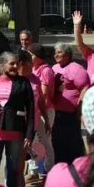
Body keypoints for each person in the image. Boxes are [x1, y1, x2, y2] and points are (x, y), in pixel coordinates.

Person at [0, 51, 36, 187]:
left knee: (12, 169)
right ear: (1, 65)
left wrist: (29, 134)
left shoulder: (23, 83)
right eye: (11, 63)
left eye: (17, 63)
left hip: (15, 134)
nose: (15, 66)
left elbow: (31, 109)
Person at [51, 42, 90, 165]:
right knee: (56, 140)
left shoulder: (77, 69)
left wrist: (80, 107)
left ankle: (76, 165)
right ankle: (59, 165)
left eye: (59, 52)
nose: (56, 55)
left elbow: (84, 88)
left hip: (70, 113)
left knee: (72, 141)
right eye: (55, 52)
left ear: (68, 55)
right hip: (54, 112)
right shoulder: (54, 68)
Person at [18, 49, 50, 187]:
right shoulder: (13, 79)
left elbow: (41, 101)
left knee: (28, 152)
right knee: (17, 156)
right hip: (17, 125)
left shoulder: (35, 79)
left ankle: (23, 184)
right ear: (21, 64)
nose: (33, 65)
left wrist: (46, 119)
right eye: (30, 63)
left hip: (33, 124)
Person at [28, 42, 56, 171]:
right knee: (32, 140)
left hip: (45, 110)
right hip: (34, 110)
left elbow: (43, 95)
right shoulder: (32, 68)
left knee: (45, 141)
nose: (29, 56)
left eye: (31, 54)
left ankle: (49, 169)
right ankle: (33, 170)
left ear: (38, 56)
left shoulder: (46, 71)